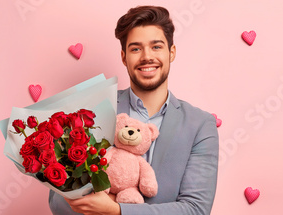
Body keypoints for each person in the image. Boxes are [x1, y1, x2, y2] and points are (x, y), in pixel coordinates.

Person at [48, 5, 219, 215]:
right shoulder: (93, 112)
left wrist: (117, 210)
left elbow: (196, 209)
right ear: (123, 57)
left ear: (171, 52)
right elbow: (57, 201)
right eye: (136, 48)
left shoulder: (200, 125)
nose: (147, 56)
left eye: (156, 46)